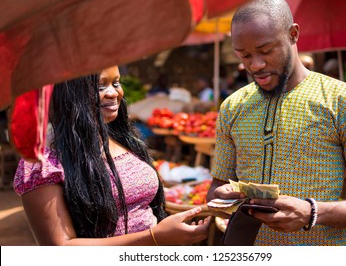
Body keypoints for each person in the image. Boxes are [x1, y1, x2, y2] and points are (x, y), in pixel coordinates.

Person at [206, 0, 346, 246]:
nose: (256, 64)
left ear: (293, 34)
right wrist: (223, 197)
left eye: (265, 50)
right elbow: (216, 186)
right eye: (244, 55)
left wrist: (312, 212)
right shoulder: (233, 107)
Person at [13, 66, 210, 246]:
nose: (113, 92)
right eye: (100, 86)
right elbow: (60, 249)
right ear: (69, 93)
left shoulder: (123, 139)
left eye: (116, 83)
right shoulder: (44, 163)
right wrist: (154, 238)